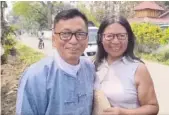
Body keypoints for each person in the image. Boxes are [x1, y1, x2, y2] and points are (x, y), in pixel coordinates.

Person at [16, 9, 95, 115]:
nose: (73, 41)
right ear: (54, 40)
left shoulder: (89, 68)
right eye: (65, 34)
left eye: (80, 34)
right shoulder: (35, 77)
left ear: (87, 40)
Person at [94, 15, 159, 115]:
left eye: (121, 36)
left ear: (129, 38)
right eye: (109, 36)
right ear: (101, 38)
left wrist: (123, 112)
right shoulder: (92, 65)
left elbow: (152, 107)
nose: (115, 41)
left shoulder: (138, 69)